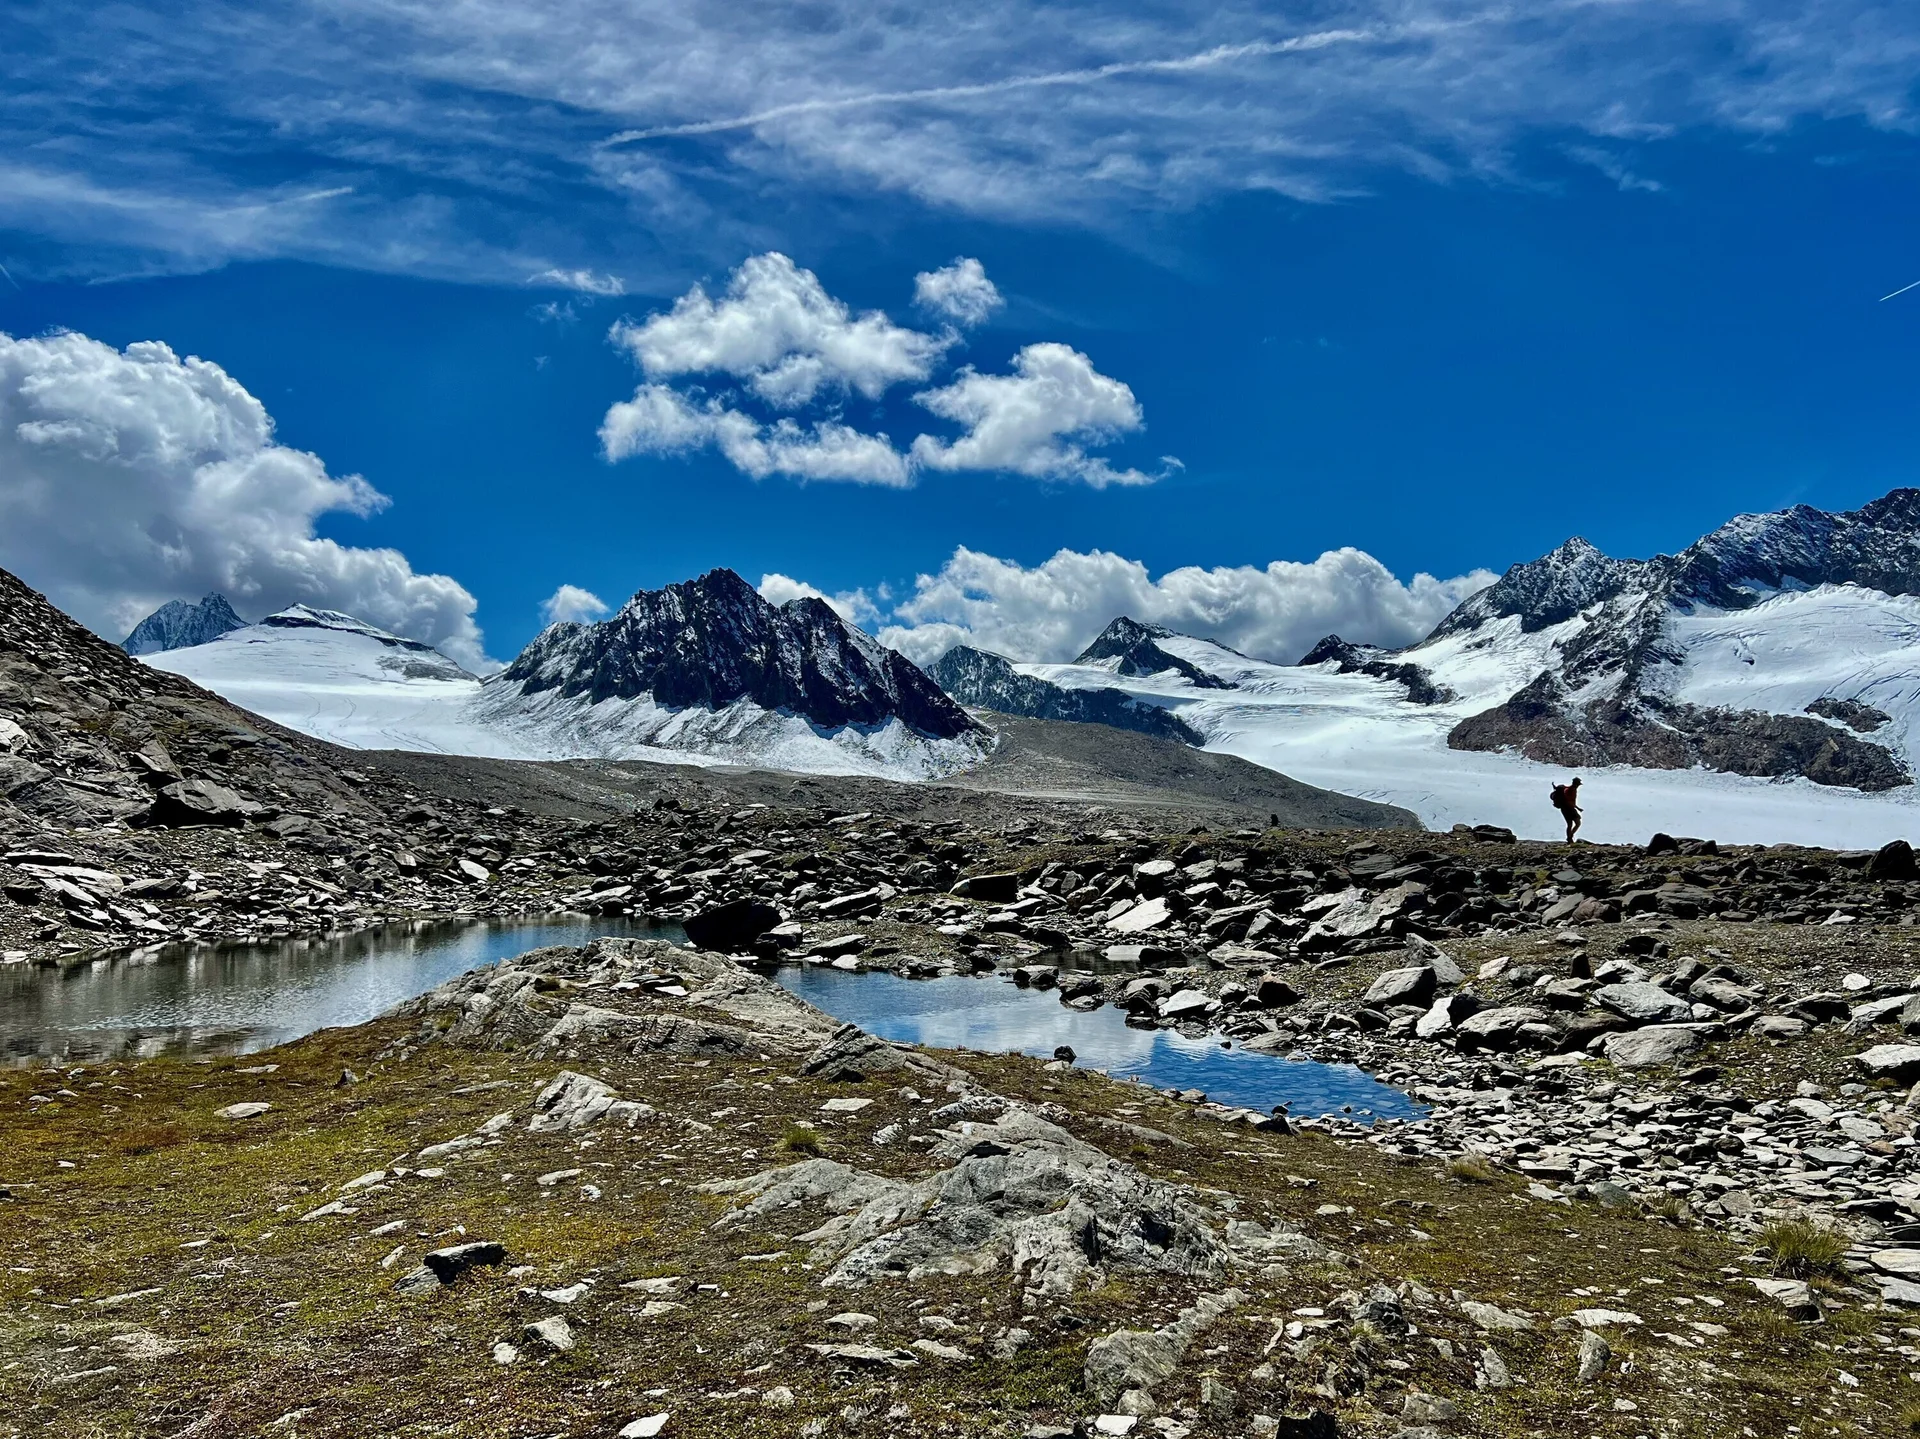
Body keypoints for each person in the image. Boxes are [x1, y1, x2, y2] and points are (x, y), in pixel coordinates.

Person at [1550, 776, 1583, 843]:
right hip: (1568, 809)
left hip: (1567, 809)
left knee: (1572, 824)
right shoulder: (1570, 790)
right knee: (1576, 823)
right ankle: (1570, 838)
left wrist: (1576, 807)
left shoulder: (1570, 789)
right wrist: (1576, 807)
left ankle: (1570, 837)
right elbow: (1569, 801)